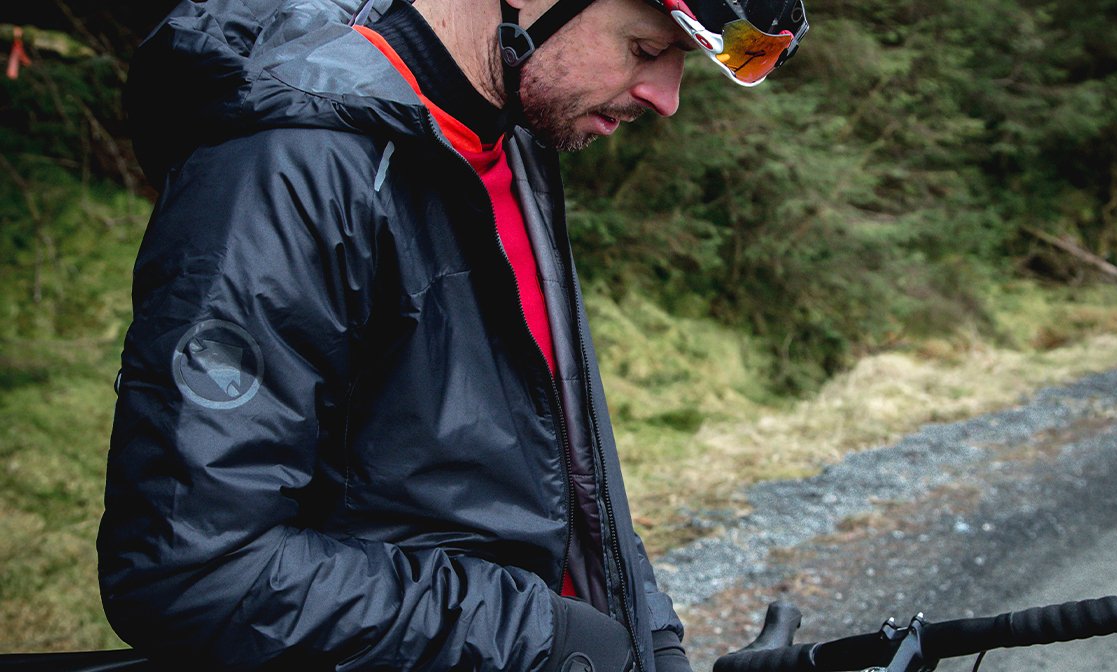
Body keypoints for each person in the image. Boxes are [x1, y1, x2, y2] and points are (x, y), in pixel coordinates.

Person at [96, 0, 808, 669]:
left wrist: (651, 642)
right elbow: (191, 568)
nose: (665, 96)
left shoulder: (511, 142)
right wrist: (539, 637)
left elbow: (559, 466)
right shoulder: (287, 167)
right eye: (646, 47)